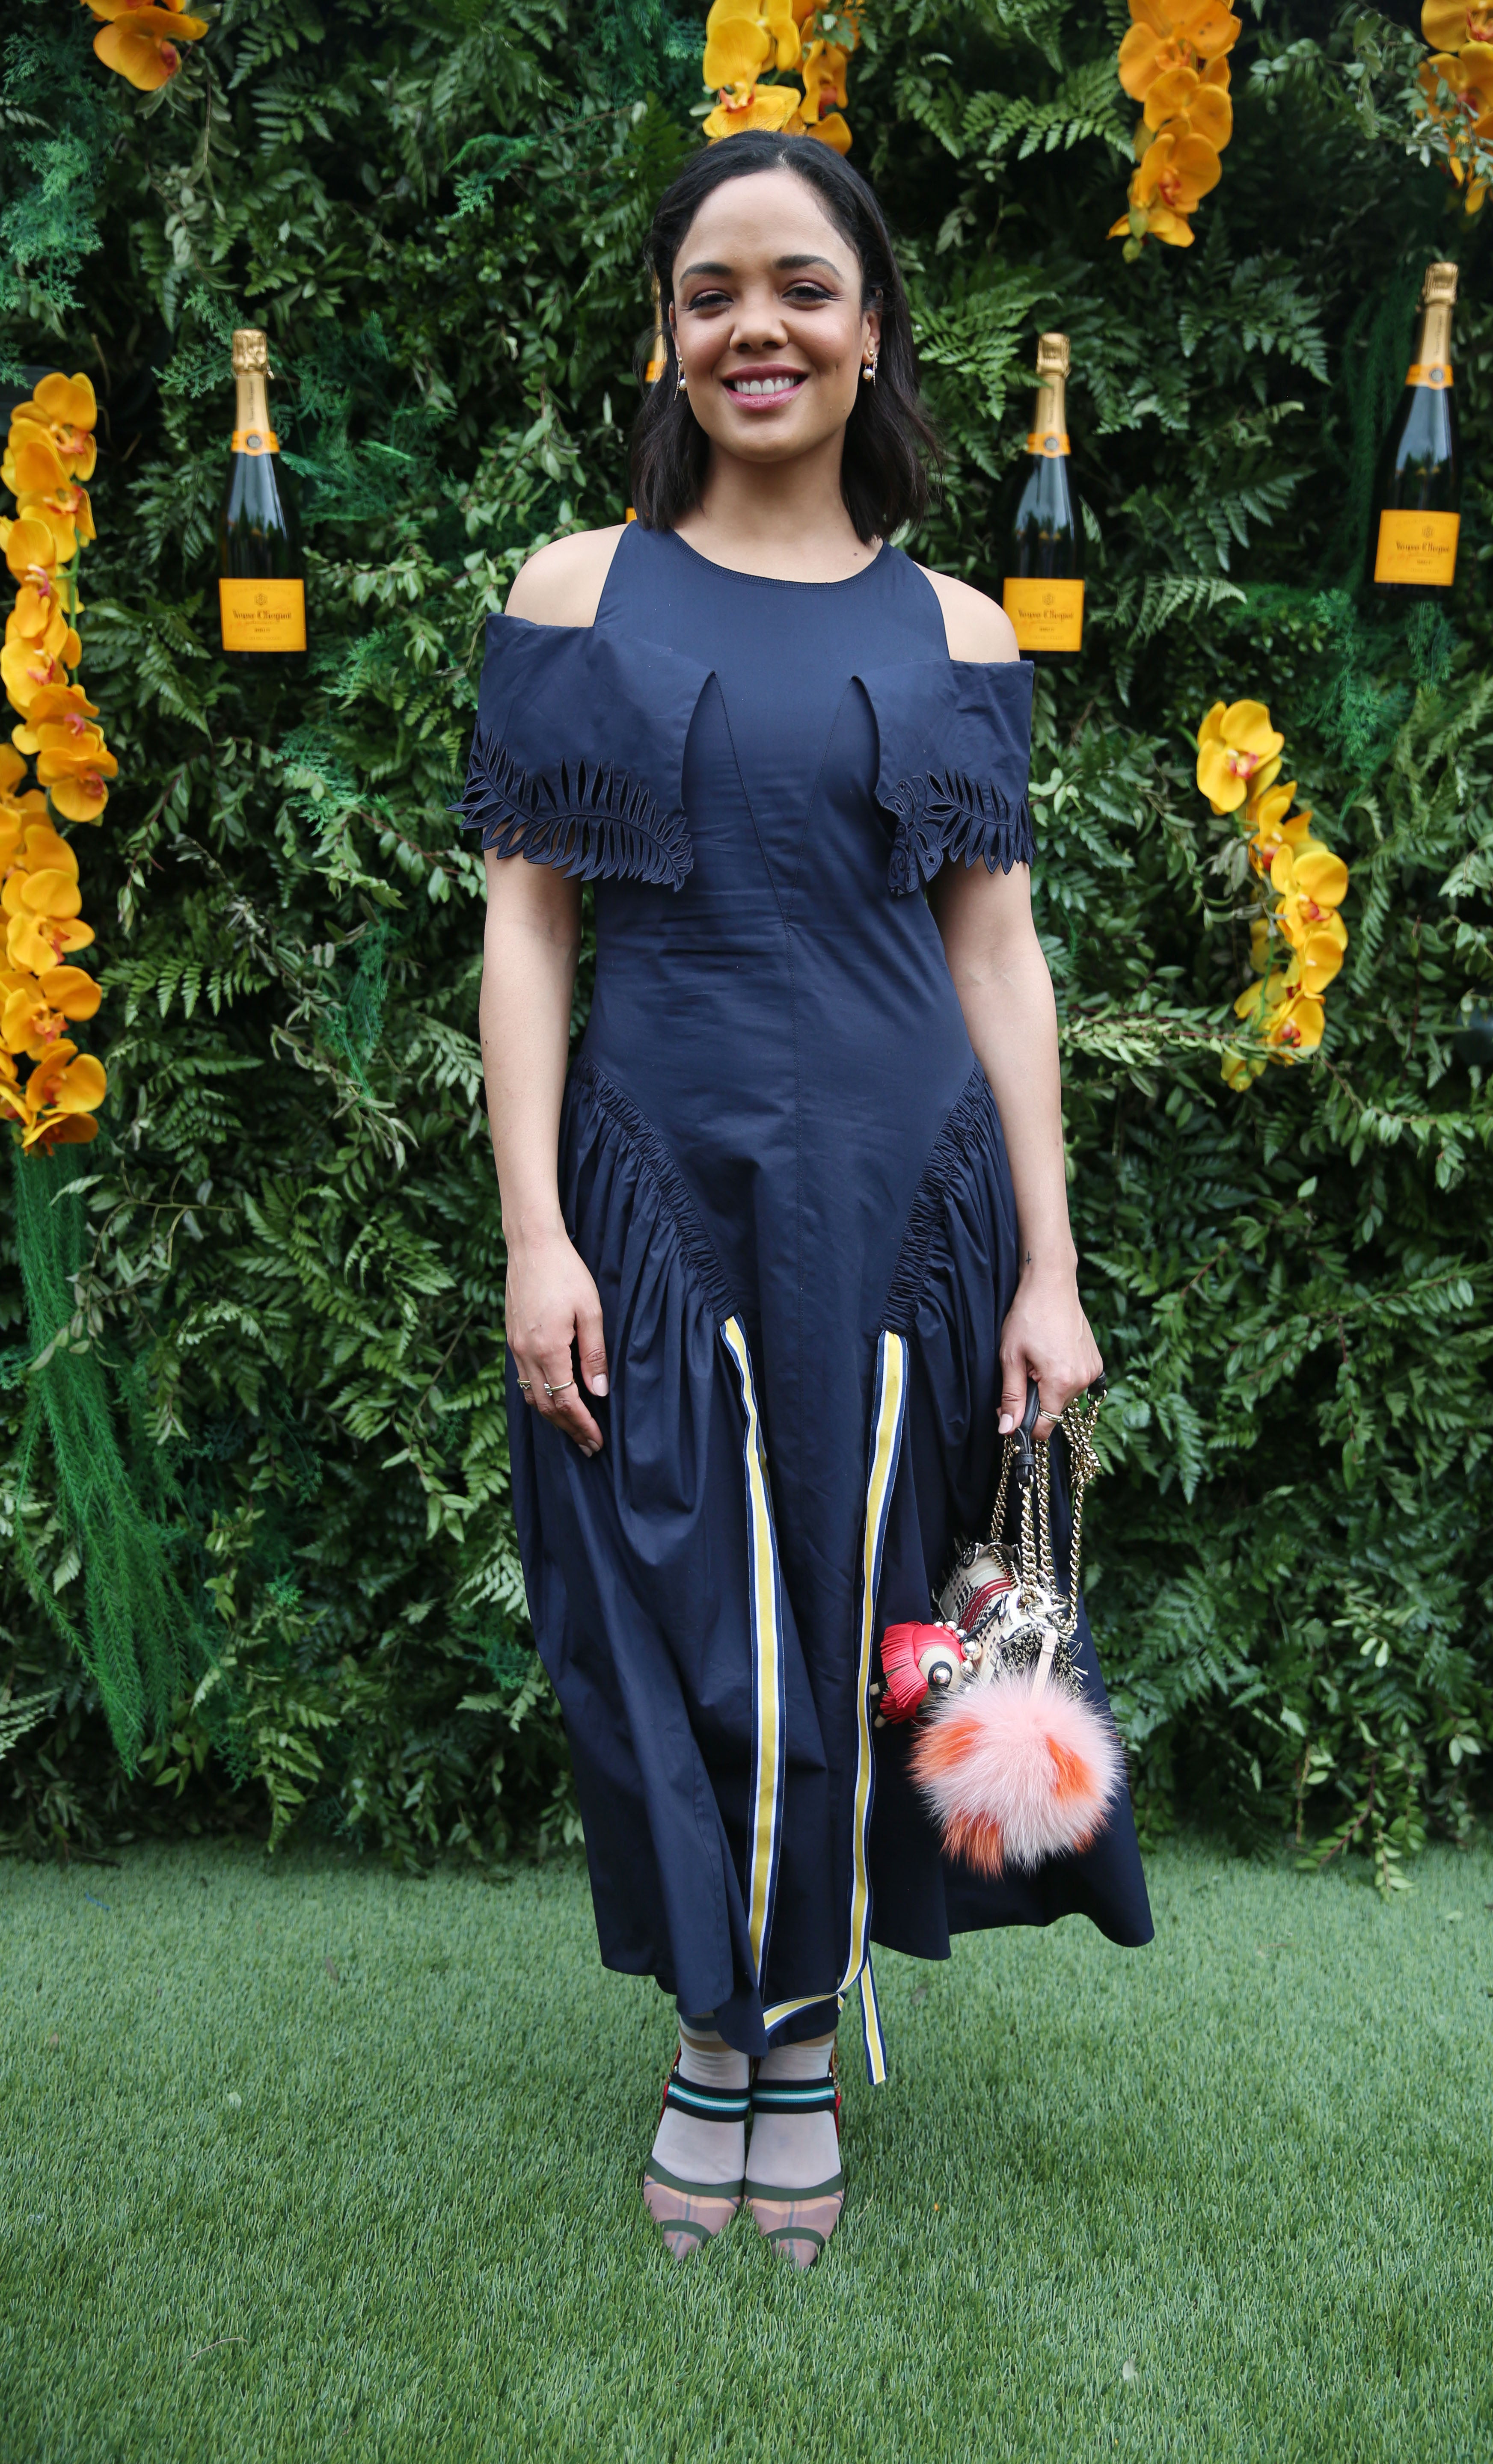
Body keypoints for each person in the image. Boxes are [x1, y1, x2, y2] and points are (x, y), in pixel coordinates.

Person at [466, 129, 1152, 2270]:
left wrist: (1050, 1264)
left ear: (870, 333)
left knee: (863, 1637)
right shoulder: (574, 592)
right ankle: (718, 2032)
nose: (753, 327)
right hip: (652, 1201)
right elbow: (525, 933)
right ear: (667, 337)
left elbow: (997, 955)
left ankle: (787, 2050)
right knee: (680, 1636)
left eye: (800, 288)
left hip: (902, 1203)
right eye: (710, 292)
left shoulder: (958, 627)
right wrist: (536, 1232)